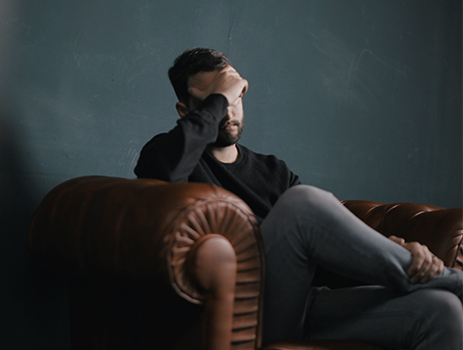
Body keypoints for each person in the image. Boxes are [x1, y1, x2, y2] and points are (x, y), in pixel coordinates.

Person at [134, 48, 463, 349]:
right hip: (244, 312)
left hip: (303, 306)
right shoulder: (166, 154)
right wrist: (221, 95)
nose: (229, 110)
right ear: (185, 110)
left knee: (441, 309)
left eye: (237, 96)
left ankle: (429, 278)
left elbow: (326, 243)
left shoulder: (272, 170)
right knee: (302, 204)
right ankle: (449, 280)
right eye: (218, 100)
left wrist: (396, 249)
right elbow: (164, 169)